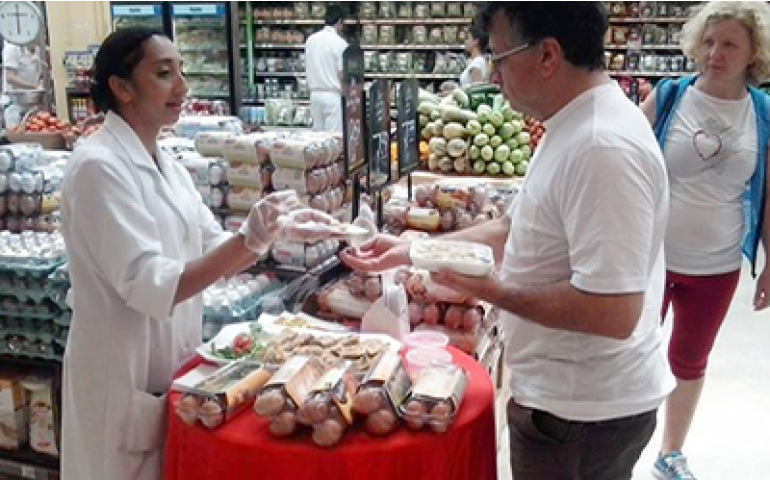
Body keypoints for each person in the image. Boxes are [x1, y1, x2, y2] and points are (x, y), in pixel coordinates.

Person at [342, 3, 674, 479]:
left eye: (499, 57)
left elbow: (613, 311)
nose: (494, 74)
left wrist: (490, 290)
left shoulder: (602, 146)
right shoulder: (572, 124)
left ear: (547, 55)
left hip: (581, 413)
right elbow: (513, 228)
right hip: (567, 400)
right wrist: (413, 249)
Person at [59, 28, 332, 480]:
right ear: (121, 88)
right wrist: (247, 242)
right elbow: (152, 284)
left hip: (169, 365)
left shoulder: (165, 162)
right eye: (164, 74)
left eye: (181, 71)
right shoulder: (98, 168)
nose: (182, 87)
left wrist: (267, 231)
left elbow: (211, 247)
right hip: (121, 375)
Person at [639, 3, 770, 479]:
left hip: (716, 263)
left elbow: (769, 191)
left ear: (753, 52)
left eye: (730, 43)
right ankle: (620, 443)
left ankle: (670, 452)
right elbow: (622, 155)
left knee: (690, 360)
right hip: (649, 257)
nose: (715, 53)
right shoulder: (670, 96)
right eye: (709, 41)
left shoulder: (763, 113)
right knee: (631, 352)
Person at [304, 4, 348, 132]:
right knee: (333, 138)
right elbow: (342, 72)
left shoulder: (311, 40)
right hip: (332, 95)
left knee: (318, 139)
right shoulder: (340, 43)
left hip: (314, 94)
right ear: (339, 21)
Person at [2, 41, 43, 127]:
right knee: (16, 133)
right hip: (15, 105)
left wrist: (39, 90)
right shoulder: (12, 49)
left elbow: (40, 75)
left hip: (32, 105)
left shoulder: (38, 50)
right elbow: (10, 78)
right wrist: (34, 87)